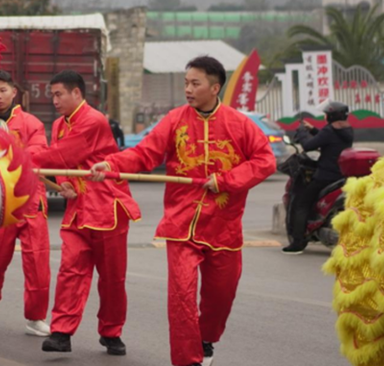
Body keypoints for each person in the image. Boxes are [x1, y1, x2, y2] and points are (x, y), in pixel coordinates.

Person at [92, 56, 277, 366]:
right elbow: (145, 153)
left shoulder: (240, 123)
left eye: (195, 83)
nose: (188, 89)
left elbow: (264, 161)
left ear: (214, 87)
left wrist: (228, 180)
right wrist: (112, 164)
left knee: (221, 296)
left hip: (224, 226)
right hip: (181, 224)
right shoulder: (175, 120)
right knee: (181, 296)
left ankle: (206, 339)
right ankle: (187, 359)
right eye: (186, 83)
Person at [34, 70, 140, 357]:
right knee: (70, 271)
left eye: (59, 94)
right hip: (79, 208)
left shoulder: (93, 120)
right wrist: (64, 184)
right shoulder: (58, 124)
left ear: (77, 93)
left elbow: (62, 155)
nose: (54, 100)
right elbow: (64, 165)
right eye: (52, 95)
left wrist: (17, 158)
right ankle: (61, 333)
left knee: (112, 278)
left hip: (107, 206)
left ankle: (111, 331)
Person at [0, 70, 50, 335]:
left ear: (13, 92)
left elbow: (39, 151)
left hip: (30, 200)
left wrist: (10, 154)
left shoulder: (31, 123)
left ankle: (35, 317)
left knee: (37, 261)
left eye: (3, 90)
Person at [283, 101, 354, 255]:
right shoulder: (347, 129)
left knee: (301, 203)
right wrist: (313, 129)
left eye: (327, 114)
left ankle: (297, 242)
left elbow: (308, 145)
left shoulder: (329, 130)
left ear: (332, 116)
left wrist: (302, 132)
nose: (325, 116)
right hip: (340, 174)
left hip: (325, 176)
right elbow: (327, 138)